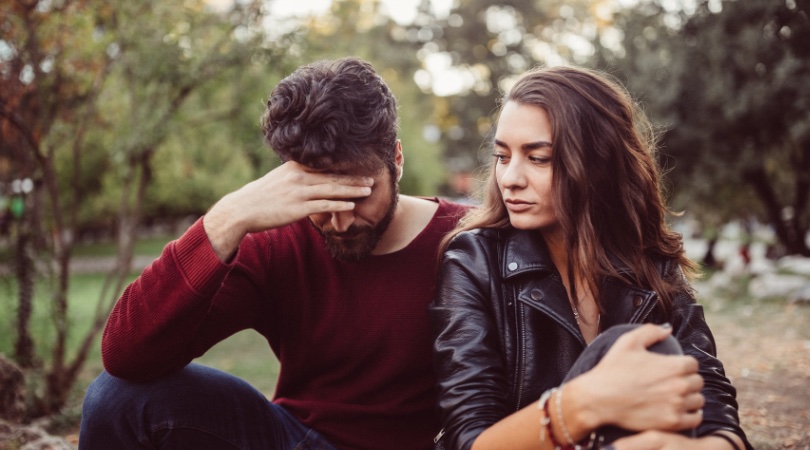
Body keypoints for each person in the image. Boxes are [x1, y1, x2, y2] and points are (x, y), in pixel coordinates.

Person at [78, 57, 470, 450]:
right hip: (298, 439)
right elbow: (126, 356)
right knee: (115, 398)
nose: (340, 221)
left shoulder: (466, 240)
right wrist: (227, 218)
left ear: (396, 160)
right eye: (319, 196)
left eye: (358, 194)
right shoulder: (275, 243)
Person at [429, 65, 751, 450]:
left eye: (538, 158)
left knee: (661, 353)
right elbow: (470, 439)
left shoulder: (648, 261)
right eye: (502, 156)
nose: (510, 178)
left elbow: (710, 400)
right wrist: (584, 404)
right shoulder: (473, 260)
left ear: (598, 162)